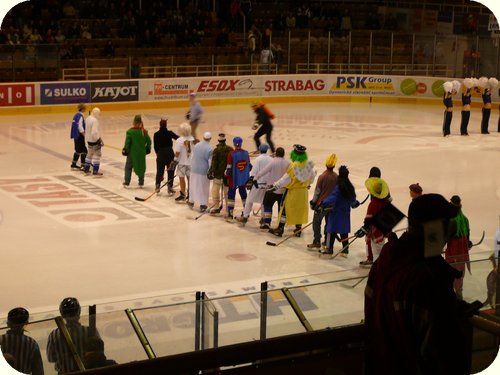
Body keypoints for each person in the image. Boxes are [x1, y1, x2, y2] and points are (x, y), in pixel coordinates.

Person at [365, 193, 479, 375]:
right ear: (435, 230)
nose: (450, 230)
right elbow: (442, 355)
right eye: (447, 224)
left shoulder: (384, 263)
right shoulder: (427, 280)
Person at [268, 144, 316, 237]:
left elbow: (285, 179)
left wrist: (275, 187)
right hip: (303, 192)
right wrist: (308, 184)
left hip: (293, 192)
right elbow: (312, 176)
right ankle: (298, 230)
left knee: (285, 210)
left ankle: (280, 229)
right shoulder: (308, 164)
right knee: (300, 210)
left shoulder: (293, 166)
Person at [47, 297, 96, 374]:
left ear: (62, 314)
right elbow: (97, 353)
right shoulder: (89, 331)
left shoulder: (54, 334)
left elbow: (51, 358)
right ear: (78, 312)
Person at [318, 165, 359, 257]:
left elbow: (333, 197)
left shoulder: (339, 187)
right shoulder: (350, 187)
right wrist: (355, 203)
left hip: (336, 212)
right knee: (344, 231)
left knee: (331, 230)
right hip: (345, 213)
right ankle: (345, 250)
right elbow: (352, 200)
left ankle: (329, 248)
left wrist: (323, 203)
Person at [253, 147, 290, 230]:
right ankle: (280, 225)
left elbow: (263, 171)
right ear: (283, 154)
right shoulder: (288, 163)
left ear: (276, 153)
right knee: (281, 208)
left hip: (271, 189)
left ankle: (267, 222)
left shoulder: (273, 162)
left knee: (267, 205)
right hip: (283, 190)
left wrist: (255, 178)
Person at [357, 175, 391, 265]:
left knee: (376, 254)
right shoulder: (385, 202)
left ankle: (377, 272)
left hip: (375, 231)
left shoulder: (373, 203)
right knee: (380, 251)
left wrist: (364, 228)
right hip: (383, 231)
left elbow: (368, 219)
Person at [307, 154, 338, 250]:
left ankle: (317, 241)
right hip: (332, 205)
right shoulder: (336, 177)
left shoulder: (322, 177)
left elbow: (317, 192)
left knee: (316, 222)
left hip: (321, 205)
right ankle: (326, 240)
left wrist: (313, 202)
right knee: (328, 223)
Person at [237, 143, 273, 225]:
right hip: (267, 184)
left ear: (260, 150)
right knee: (263, 202)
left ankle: (245, 216)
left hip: (258, 184)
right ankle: (263, 218)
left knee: (249, 200)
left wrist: (250, 179)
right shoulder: (271, 159)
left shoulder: (258, 159)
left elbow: (254, 172)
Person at [0, 307, 44, 375]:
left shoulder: (1, 340)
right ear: (26, 323)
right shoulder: (32, 343)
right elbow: (38, 371)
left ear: (8, 323)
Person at [445, 195, 472, 300]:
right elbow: (468, 237)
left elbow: (446, 237)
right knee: (460, 273)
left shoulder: (450, 221)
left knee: (450, 272)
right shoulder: (465, 219)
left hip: (453, 252)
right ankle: (459, 296)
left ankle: (453, 298)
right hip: (462, 252)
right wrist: (468, 243)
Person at [122, 115, 152, 188]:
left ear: (134, 122)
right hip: (141, 153)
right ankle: (141, 182)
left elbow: (127, 142)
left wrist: (125, 149)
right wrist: (148, 148)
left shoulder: (130, 132)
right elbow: (149, 141)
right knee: (141, 166)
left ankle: (127, 181)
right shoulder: (144, 132)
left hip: (132, 154)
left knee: (128, 167)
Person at [225, 136, 250, 221]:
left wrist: (225, 175)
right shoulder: (246, 153)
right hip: (243, 178)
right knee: (243, 194)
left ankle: (230, 213)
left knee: (231, 195)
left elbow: (228, 169)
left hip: (234, 178)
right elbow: (249, 166)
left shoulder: (231, 154)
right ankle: (246, 212)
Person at [207, 133, 233, 215]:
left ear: (218, 140)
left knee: (215, 190)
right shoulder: (230, 149)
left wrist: (211, 171)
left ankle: (216, 207)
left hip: (218, 175)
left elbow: (214, 163)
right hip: (227, 175)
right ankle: (228, 210)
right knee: (226, 192)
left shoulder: (216, 150)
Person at [188, 132, 213, 212]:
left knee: (193, 186)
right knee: (203, 188)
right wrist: (210, 171)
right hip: (203, 171)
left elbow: (192, 157)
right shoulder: (210, 149)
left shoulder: (196, 145)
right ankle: (203, 204)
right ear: (210, 139)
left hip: (194, 169)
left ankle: (191, 201)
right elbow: (210, 162)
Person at [153, 117, 178, 194]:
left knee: (159, 171)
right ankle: (170, 187)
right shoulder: (169, 133)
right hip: (169, 153)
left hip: (160, 153)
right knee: (171, 170)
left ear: (160, 125)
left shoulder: (156, 134)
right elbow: (178, 138)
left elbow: (155, 146)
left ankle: (157, 186)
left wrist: (158, 154)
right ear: (166, 125)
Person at [170, 123, 194, 202]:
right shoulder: (192, 139)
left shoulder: (179, 140)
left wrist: (174, 160)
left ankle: (183, 193)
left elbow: (177, 153)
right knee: (190, 179)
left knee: (181, 178)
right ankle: (190, 195)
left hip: (182, 163)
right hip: (191, 163)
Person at [84, 107, 104, 176]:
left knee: (89, 155)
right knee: (97, 156)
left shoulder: (87, 118)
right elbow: (94, 132)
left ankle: (86, 169)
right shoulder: (95, 120)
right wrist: (98, 139)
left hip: (88, 140)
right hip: (94, 141)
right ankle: (95, 170)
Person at [70, 103, 87, 171]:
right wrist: (84, 134)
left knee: (77, 150)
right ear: (82, 109)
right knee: (84, 151)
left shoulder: (76, 115)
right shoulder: (80, 116)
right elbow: (80, 127)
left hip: (75, 135)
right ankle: (83, 165)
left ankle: (73, 164)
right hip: (79, 135)